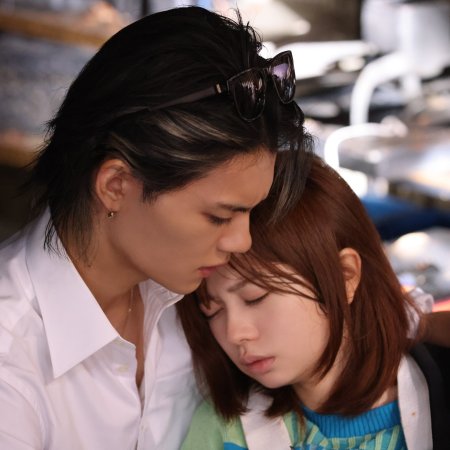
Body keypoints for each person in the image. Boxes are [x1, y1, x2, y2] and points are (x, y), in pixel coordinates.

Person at [0, 6, 314, 450]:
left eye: (250, 212)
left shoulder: (194, 288)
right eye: (218, 216)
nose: (242, 241)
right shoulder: (11, 361)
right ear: (116, 186)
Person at [178, 155, 450, 450]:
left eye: (255, 298)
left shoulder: (437, 396)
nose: (235, 333)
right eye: (213, 310)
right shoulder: (226, 432)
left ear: (345, 275)